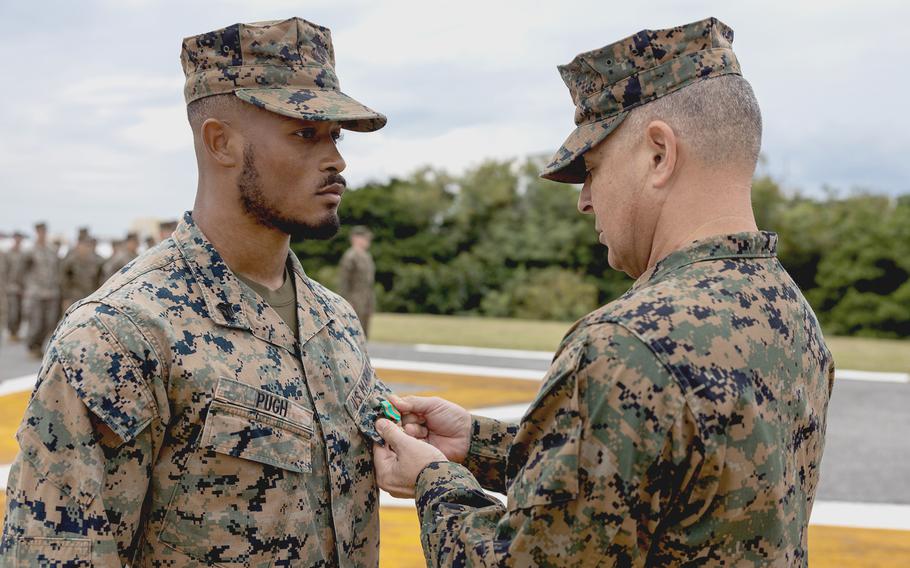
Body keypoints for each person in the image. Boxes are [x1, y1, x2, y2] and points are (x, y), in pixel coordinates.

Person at [372, 17, 834, 567]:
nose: (584, 200)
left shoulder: (627, 343)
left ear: (659, 154)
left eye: (592, 168)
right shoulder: (786, 309)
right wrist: (481, 444)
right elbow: (661, 475)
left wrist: (433, 481)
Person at [2, 17, 392, 566]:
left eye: (336, 135)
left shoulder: (335, 321)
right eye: (306, 133)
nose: (336, 161)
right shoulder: (120, 335)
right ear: (221, 142)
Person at [22, 221, 61, 357]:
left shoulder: (52, 250)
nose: (42, 234)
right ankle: (32, 346)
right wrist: (25, 288)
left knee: (49, 322)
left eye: (44, 231)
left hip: (51, 292)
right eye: (40, 231)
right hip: (36, 292)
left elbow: (57, 270)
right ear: (36, 232)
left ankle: (39, 346)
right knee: (36, 322)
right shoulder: (30, 251)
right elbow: (22, 271)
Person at [339, 225, 376, 336]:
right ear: (355, 238)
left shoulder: (366, 256)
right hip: (354, 299)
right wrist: (346, 301)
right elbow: (344, 281)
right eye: (365, 238)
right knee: (354, 330)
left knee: (364, 331)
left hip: (366, 298)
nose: (368, 241)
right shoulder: (350, 256)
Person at [60, 232, 103, 310]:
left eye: (87, 245)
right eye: (83, 245)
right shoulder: (71, 261)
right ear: (78, 245)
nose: (85, 248)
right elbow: (64, 279)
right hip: (74, 296)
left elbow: (99, 278)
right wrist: (65, 298)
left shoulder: (96, 261)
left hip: (90, 295)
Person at [4, 232, 27, 341]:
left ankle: (16, 332)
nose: (19, 240)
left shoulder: (24, 254)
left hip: (22, 287)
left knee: (20, 311)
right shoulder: (8, 253)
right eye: (17, 238)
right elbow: (4, 271)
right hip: (11, 287)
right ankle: (11, 331)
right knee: (12, 311)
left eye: (20, 239)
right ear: (14, 239)